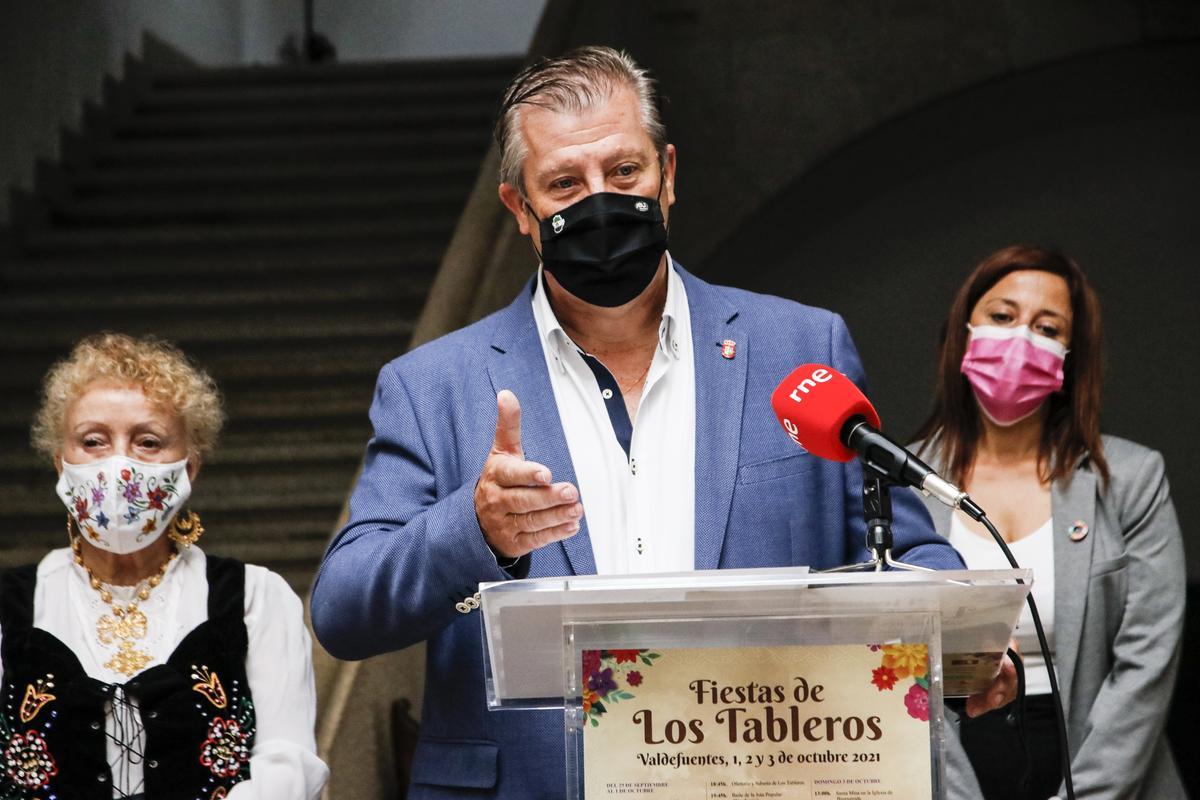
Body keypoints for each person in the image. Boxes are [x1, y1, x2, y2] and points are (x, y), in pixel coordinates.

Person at [311, 46, 1011, 798]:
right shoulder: (433, 385)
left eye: (624, 173)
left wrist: (968, 640)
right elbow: (345, 608)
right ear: (520, 208)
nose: (601, 202)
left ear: (668, 174)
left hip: (769, 774)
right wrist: (474, 530)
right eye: (564, 184)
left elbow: (903, 547)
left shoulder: (801, 347)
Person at [0, 333, 328, 799]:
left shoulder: (255, 597)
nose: (119, 465)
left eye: (147, 442)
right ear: (61, 464)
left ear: (189, 468)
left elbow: (288, 762)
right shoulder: (11, 606)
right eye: (92, 441)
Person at [912, 245, 1186, 799]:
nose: (1019, 340)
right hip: (950, 768)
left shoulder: (1131, 478)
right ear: (964, 331)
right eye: (1002, 316)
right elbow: (891, 663)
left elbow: (1148, 659)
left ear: (1070, 354)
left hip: (1102, 766)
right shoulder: (902, 483)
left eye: (1047, 327)